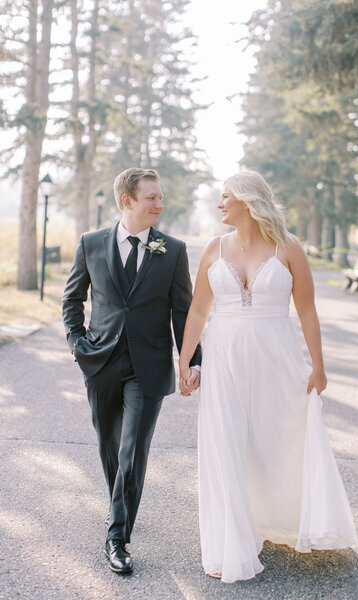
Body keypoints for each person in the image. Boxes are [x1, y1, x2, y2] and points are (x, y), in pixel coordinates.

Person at [178, 170, 358, 584]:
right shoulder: (212, 247)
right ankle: (231, 541)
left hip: (276, 358)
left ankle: (279, 516)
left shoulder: (288, 247)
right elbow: (199, 311)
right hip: (223, 358)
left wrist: (319, 364)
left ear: (247, 200)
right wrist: (184, 360)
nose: (220, 203)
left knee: (277, 439)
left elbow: (307, 309)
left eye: (226, 197)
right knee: (225, 443)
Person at [62, 167, 201, 574]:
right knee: (109, 445)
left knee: (133, 449)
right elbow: (72, 298)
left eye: (160, 197)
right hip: (101, 361)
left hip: (149, 365)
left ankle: (117, 538)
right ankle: (119, 506)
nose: (160, 204)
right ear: (128, 201)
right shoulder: (90, 243)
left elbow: (183, 310)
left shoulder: (172, 250)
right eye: (151, 198)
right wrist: (76, 341)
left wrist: (191, 361)